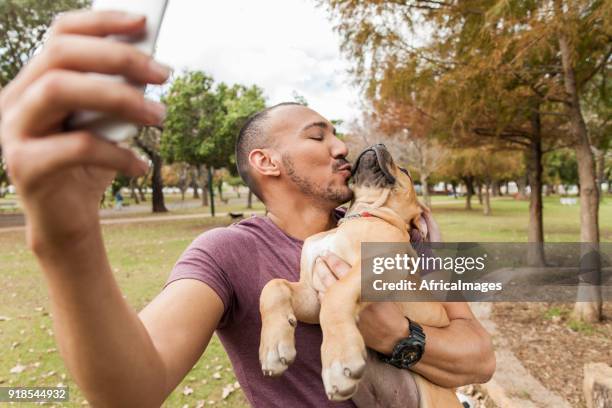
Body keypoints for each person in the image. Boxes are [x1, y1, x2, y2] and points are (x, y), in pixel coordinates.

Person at [0, 10, 495, 407]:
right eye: (318, 135)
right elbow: (131, 390)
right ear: (266, 161)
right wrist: (70, 241)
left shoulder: (398, 230)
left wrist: (394, 335)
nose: (342, 146)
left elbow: (480, 359)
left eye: (337, 134)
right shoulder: (228, 253)